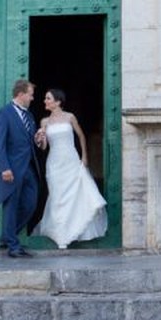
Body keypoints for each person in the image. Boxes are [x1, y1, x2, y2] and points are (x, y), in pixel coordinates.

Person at [32, 89, 108, 249]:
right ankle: (61, 235)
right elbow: (44, 146)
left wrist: (84, 157)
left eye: (48, 98)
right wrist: (39, 140)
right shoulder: (44, 122)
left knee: (74, 194)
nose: (45, 101)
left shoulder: (70, 117)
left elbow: (80, 135)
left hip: (71, 160)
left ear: (58, 102)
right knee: (57, 197)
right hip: (54, 163)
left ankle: (73, 231)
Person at [0, 79, 43, 258]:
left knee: (31, 203)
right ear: (20, 95)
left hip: (29, 168)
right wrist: (4, 168)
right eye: (30, 94)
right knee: (11, 206)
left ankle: (7, 236)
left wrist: (38, 138)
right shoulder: (3, 114)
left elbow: (31, 143)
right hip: (12, 169)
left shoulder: (29, 115)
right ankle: (13, 246)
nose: (32, 98)